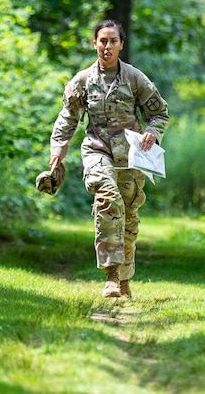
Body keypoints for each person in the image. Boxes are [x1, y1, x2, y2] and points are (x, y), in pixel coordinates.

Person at [49, 19, 170, 298]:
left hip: (130, 156)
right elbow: (67, 119)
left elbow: (160, 114)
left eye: (113, 41)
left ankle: (125, 282)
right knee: (108, 198)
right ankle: (111, 276)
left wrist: (152, 132)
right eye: (102, 40)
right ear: (94, 44)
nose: (107, 46)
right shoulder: (82, 81)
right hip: (96, 150)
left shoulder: (135, 78)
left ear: (121, 45)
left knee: (128, 219)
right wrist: (58, 152)